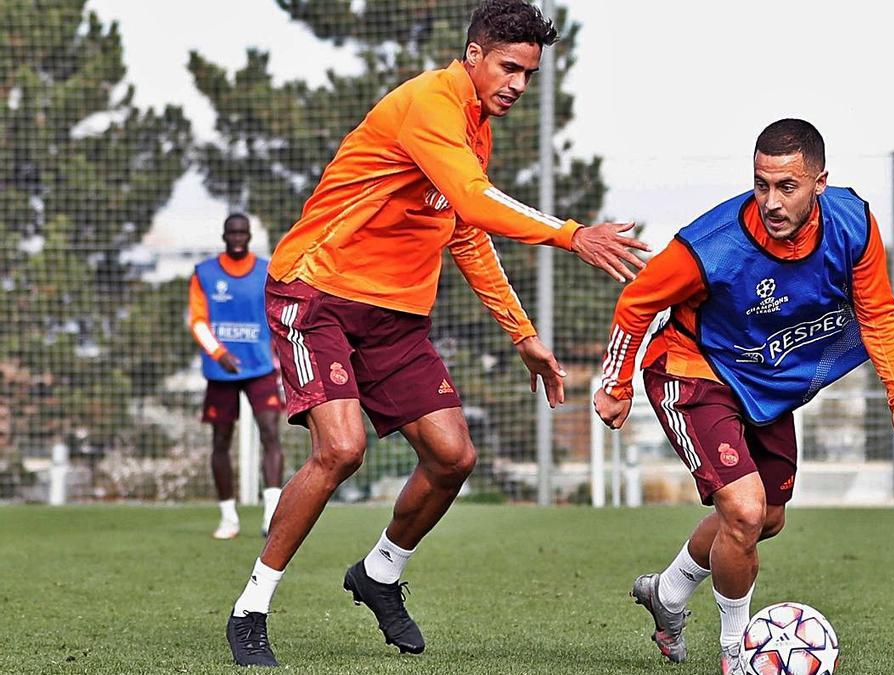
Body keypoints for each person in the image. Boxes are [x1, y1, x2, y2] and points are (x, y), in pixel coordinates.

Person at [223, 0, 648, 667]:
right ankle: (251, 606)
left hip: (394, 315)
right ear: (474, 55)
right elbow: (478, 202)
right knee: (342, 448)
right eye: (509, 67)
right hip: (317, 293)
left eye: (529, 74)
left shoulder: (477, 128)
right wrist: (572, 232)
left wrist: (523, 335)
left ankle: (381, 572)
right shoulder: (430, 104)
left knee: (453, 456)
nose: (517, 84)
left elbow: (466, 230)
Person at [593, 119, 894, 674]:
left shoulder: (854, 225)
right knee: (744, 511)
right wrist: (616, 382)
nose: (771, 201)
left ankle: (669, 593)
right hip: (690, 368)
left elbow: (877, 313)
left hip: (761, 388)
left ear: (820, 182)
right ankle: (737, 652)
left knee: (766, 519)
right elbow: (637, 301)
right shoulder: (712, 244)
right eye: (761, 184)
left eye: (787, 187)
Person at [188, 213, 286, 540]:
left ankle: (271, 513)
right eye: (233, 232)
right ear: (224, 235)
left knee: (271, 432)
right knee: (220, 441)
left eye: (243, 232)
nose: (238, 237)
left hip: (259, 367)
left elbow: (277, 315)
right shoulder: (204, 273)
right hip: (221, 370)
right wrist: (219, 353)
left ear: (249, 235)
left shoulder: (266, 271)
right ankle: (228, 517)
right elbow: (198, 321)